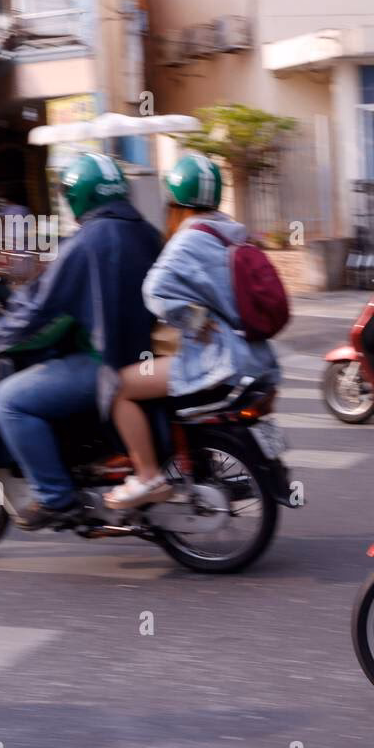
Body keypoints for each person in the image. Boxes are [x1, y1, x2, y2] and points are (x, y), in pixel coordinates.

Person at [0, 153, 162, 529]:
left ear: (80, 195)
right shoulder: (147, 231)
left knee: (10, 400)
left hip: (104, 361)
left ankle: (55, 498)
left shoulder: (88, 240)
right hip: (143, 355)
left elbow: (41, 307)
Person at [103, 153, 280, 509]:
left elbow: (155, 292)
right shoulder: (231, 232)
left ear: (176, 203)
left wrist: (194, 321)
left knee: (118, 386)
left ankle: (148, 475)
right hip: (258, 359)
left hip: (219, 360)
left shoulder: (187, 240)